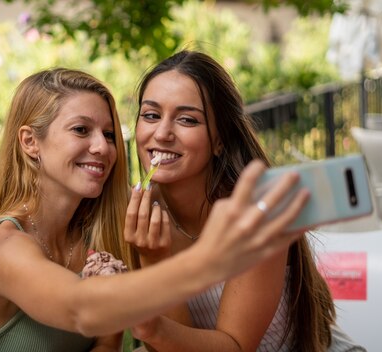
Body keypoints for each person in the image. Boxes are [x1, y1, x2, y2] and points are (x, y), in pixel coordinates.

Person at [0, 67, 309, 352]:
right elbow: (83, 309)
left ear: (218, 140)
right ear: (30, 142)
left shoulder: (96, 230)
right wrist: (206, 262)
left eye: (109, 135)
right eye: (81, 130)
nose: (103, 148)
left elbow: (107, 341)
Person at [125, 50, 365, 351]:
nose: (161, 133)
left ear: (219, 140)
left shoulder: (257, 213)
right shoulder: (137, 210)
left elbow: (234, 346)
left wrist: (154, 267)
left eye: (187, 120)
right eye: (150, 115)